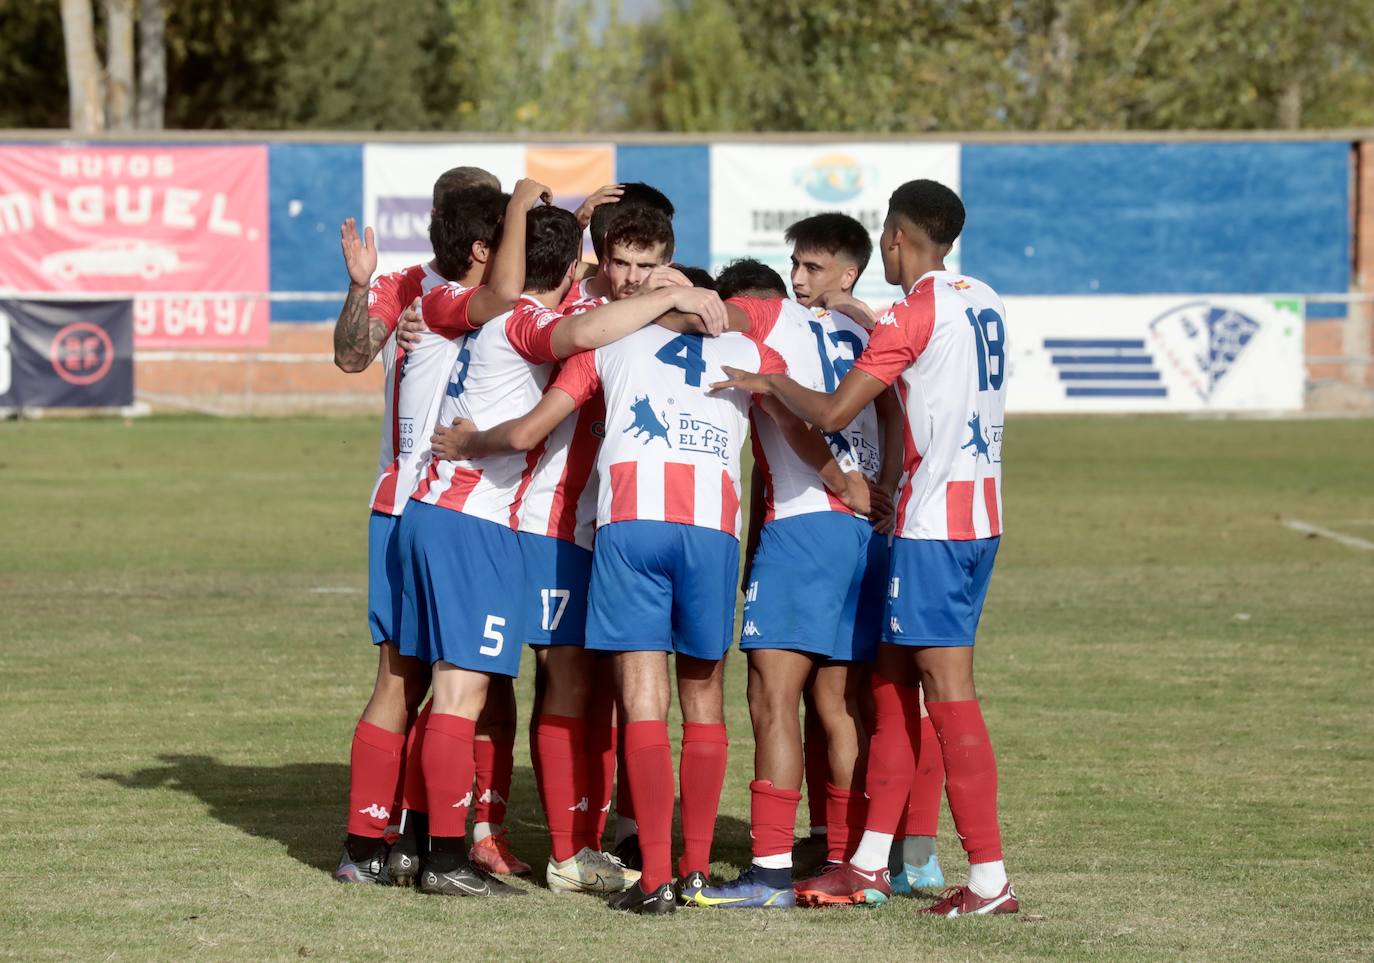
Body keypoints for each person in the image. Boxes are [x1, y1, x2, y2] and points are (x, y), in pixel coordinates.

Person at [433, 274, 858, 914]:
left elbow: (529, 431)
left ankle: (653, 878)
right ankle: (692, 871)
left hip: (631, 526)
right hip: (710, 532)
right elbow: (799, 429)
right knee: (705, 701)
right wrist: (843, 480)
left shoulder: (607, 345)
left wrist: (469, 442)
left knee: (642, 699)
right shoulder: (748, 351)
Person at [402, 202, 726, 899]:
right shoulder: (577, 324)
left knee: (578, 689)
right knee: (522, 684)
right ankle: (501, 838)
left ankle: (573, 836)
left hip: (600, 531)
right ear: (596, 261)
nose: (634, 277)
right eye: (623, 262)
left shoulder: (670, 322)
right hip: (545, 526)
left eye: (649, 264)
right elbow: (530, 372)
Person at [711, 179, 1017, 916]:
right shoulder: (985, 298)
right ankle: (872, 860)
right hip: (978, 515)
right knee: (885, 686)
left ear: (896, 240)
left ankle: (988, 880)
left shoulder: (911, 313)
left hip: (931, 527)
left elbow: (835, 407)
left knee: (947, 697)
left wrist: (771, 380)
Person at [686, 258, 895, 910]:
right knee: (837, 702)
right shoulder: (853, 334)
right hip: (861, 535)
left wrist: (839, 479)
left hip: (805, 531)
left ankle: (770, 874)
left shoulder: (766, 325)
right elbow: (888, 404)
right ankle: (842, 857)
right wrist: (870, 484)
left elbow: (792, 422)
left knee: (770, 697)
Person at [329, 166, 509, 885]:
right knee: (421, 677)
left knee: (443, 680)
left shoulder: (483, 293)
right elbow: (349, 354)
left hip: (429, 506)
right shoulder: (419, 291)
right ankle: (387, 843)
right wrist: (358, 284)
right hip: (421, 501)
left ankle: (394, 837)